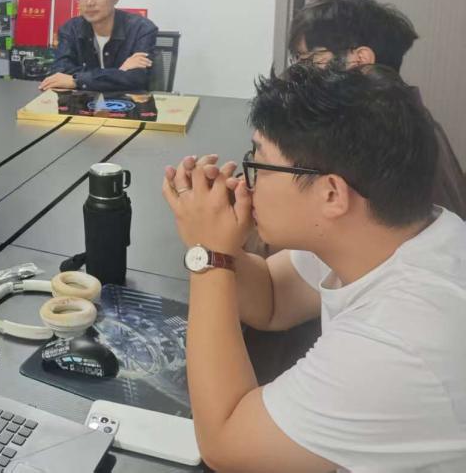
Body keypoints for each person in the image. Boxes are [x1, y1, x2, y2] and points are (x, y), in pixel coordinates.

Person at [162, 65, 466, 471]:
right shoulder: (398, 230)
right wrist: (216, 235)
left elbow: (225, 444)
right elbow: (272, 297)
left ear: (332, 194)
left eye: (260, 165)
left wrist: (209, 255)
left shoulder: (400, 340)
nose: (247, 183)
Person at [289, 0, 466, 218]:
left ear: (359, 60)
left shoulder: (381, 137)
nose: (297, 73)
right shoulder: (410, 119)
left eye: (308, 60)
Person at [40, 0, 157, 93]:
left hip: (126, 103)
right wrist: (119, 72)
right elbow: (60, 71)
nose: (89, 2)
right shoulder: (70, 29)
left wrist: (77, 80)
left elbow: (138, 78)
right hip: (81, 102)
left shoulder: (141, 29)